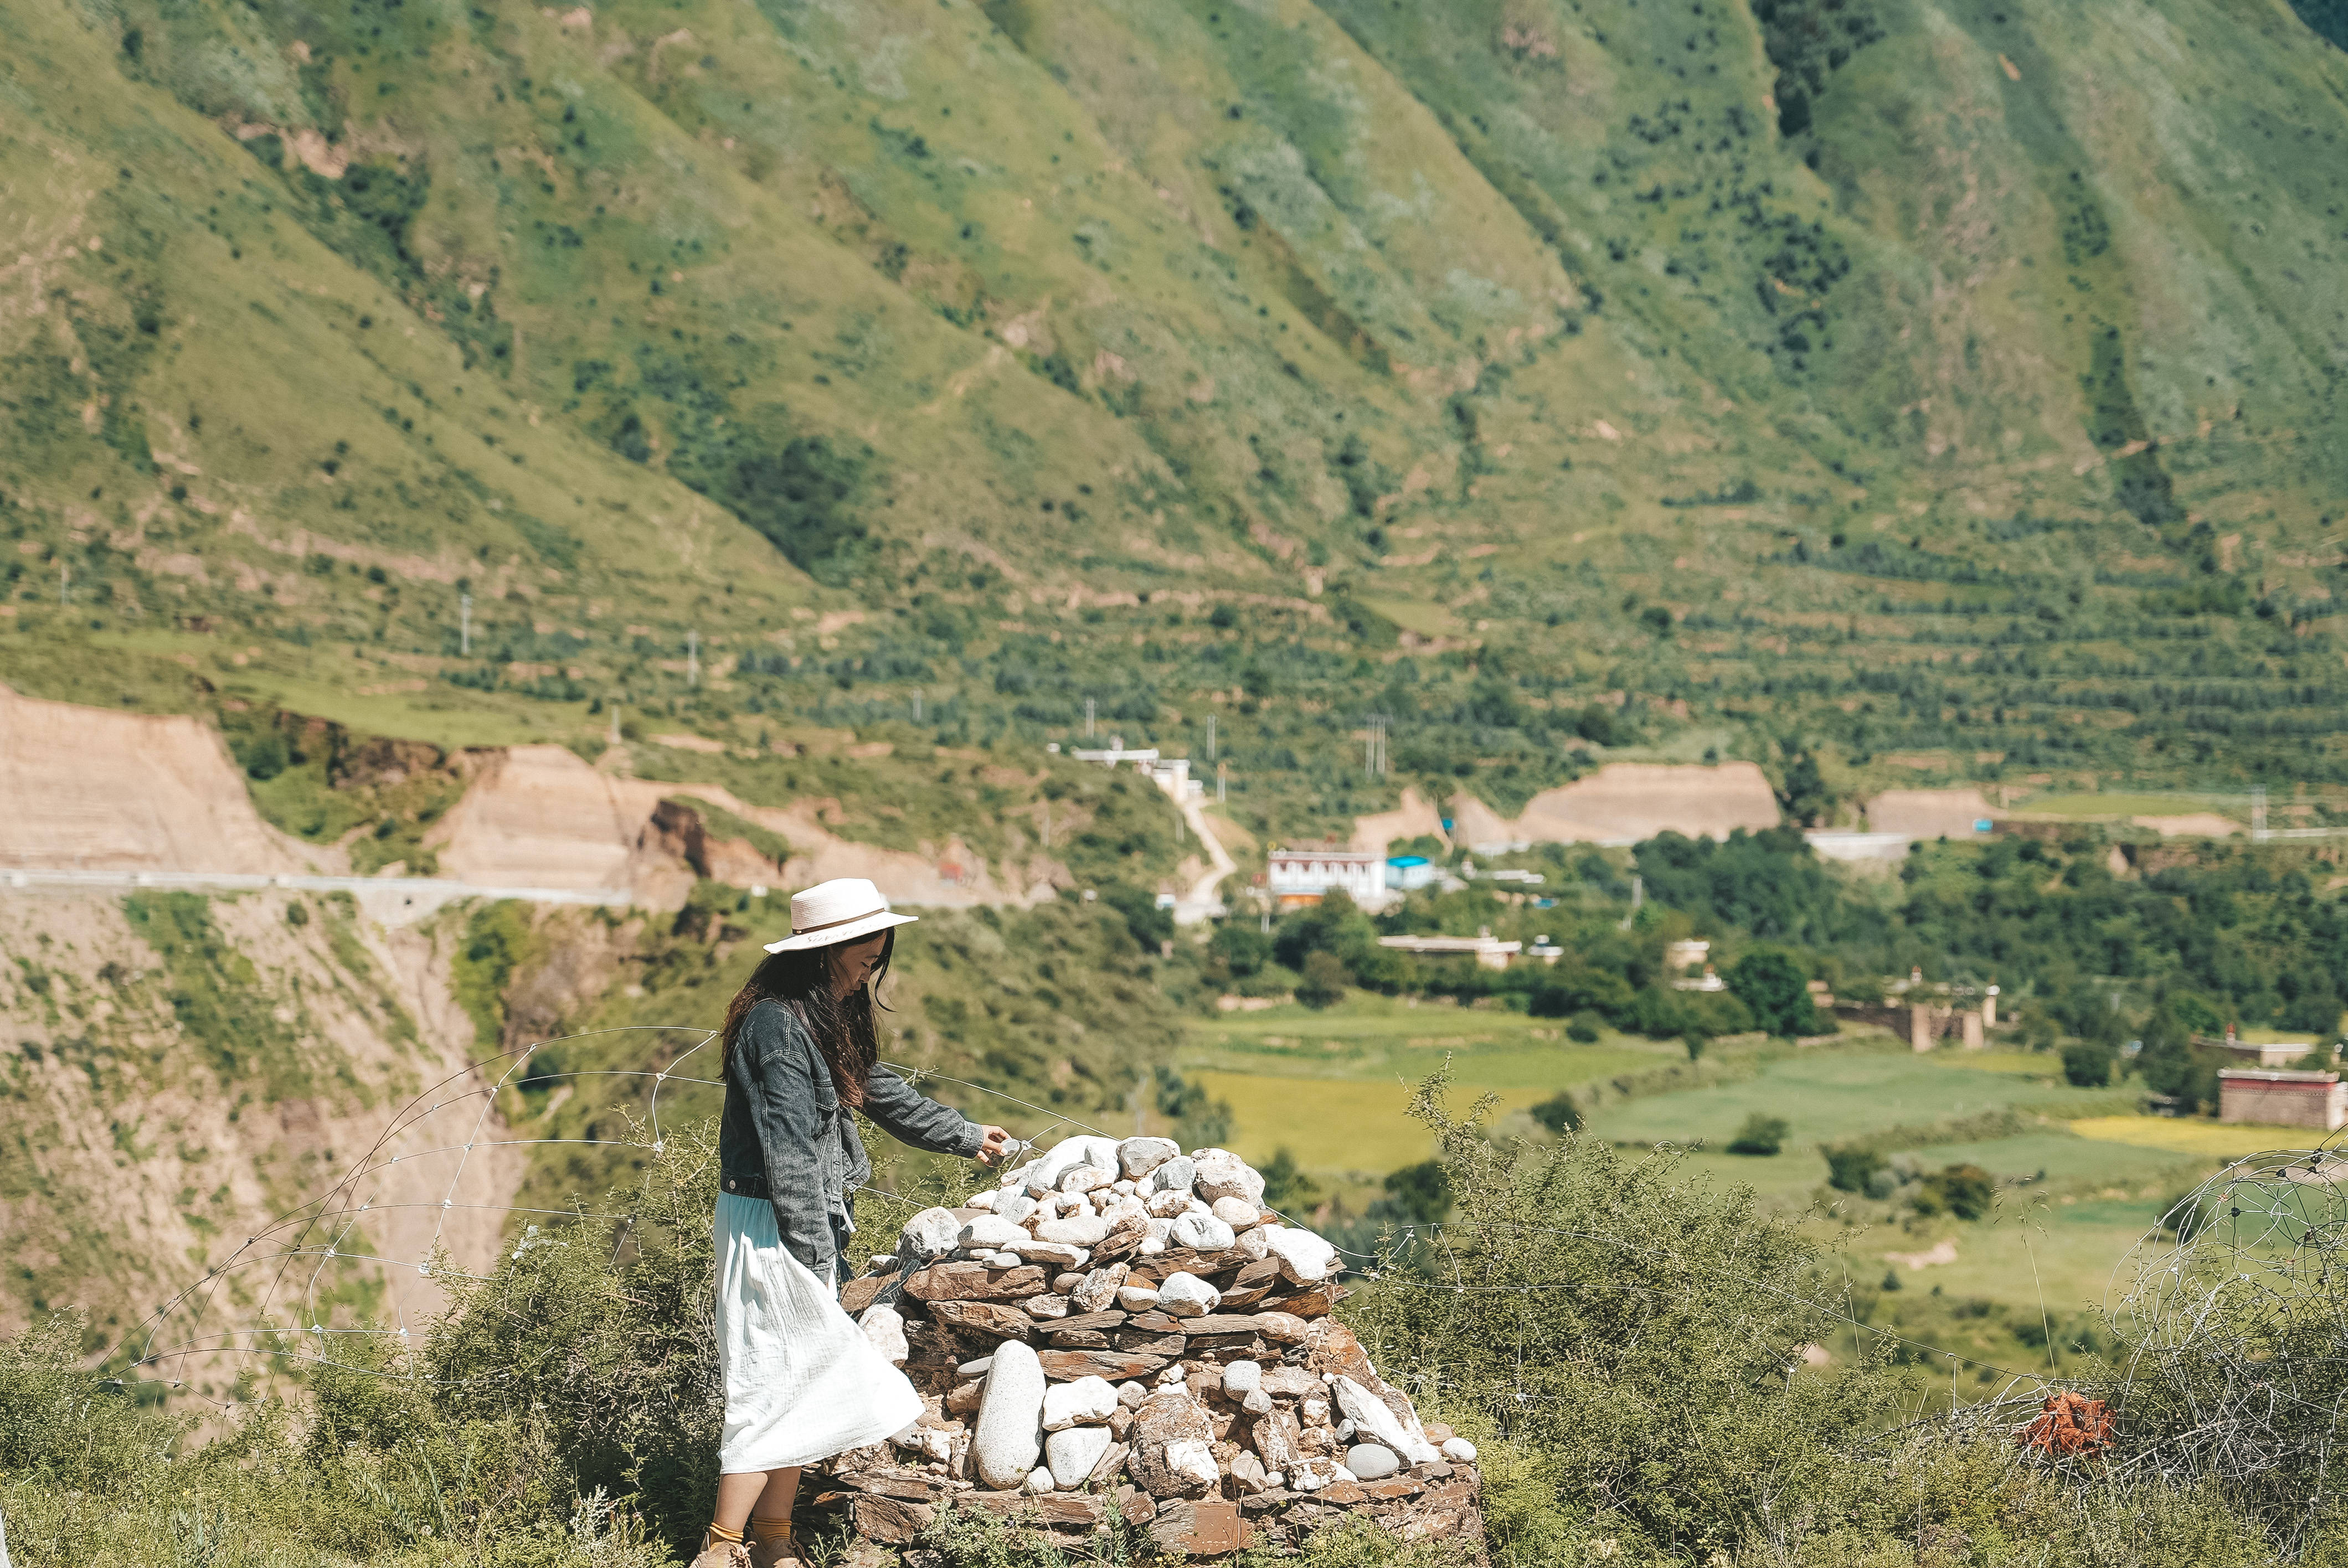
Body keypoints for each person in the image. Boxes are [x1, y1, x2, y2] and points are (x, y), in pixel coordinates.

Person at [693, 878, 1012, 1568]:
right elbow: (791, 1156)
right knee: (769, 1381)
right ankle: (719, 1550)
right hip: (772, 1222)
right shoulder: (777, 1027)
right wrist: (811, 1259)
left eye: (878, 945)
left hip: (799, 1221)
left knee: (801, 1377)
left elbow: (880, 1092)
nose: (875, 958)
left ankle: (774, 1539)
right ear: (826, 950)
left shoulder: (818, 1017)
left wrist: (963, 1135)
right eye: (865, 948)